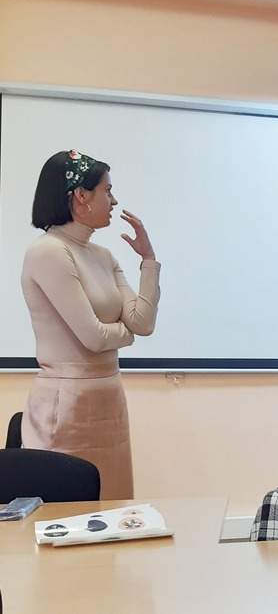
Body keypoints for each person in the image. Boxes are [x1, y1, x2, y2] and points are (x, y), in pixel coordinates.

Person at [20, 150, 160, 500]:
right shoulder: (49, 250)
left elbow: (142, 322)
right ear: (81, 196)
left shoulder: (102, 255)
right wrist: (124, 334)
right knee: (66, 513)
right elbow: (94, 338)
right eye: (107, 191)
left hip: (108, 398)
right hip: (67, 403)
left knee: (113, 504)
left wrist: (148, 260)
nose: (114, 201)